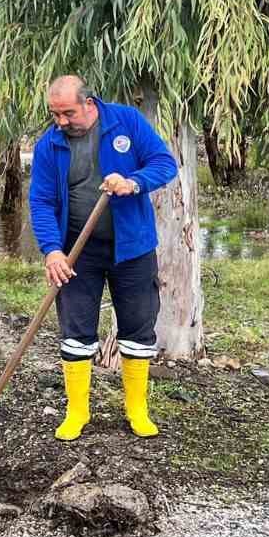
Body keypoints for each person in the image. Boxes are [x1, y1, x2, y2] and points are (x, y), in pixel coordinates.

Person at [29, 76, 179, 440]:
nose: (61, 121)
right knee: (76, 330)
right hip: (77, 252)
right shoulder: (50, 144)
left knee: (138, 327)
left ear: (89, 103)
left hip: (133, 247)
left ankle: (137, 410)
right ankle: (77, 412)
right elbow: (41, 202)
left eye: (68, 113)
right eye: (55, 114)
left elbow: (164, 163)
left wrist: (134, 182)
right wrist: (52, 251)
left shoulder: (125, 122)